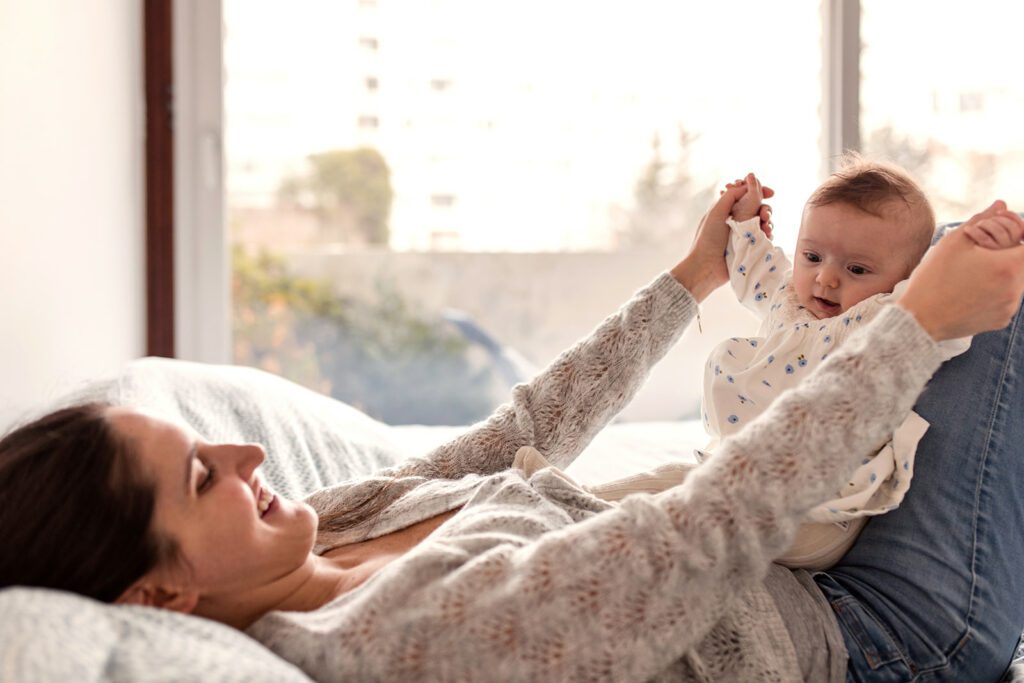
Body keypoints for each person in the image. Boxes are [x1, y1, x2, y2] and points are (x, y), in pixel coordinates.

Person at [1, 196, 1023, 681]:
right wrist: (910, 328)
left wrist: (689, 279)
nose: (247, 456)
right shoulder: (393, 635)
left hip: (815, 548)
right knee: (977, 273)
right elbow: (700, 533)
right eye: (199, 475)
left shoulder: (334, 532)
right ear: (158, 594)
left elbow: (518, 437)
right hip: (879, 631)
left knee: (937, 253)